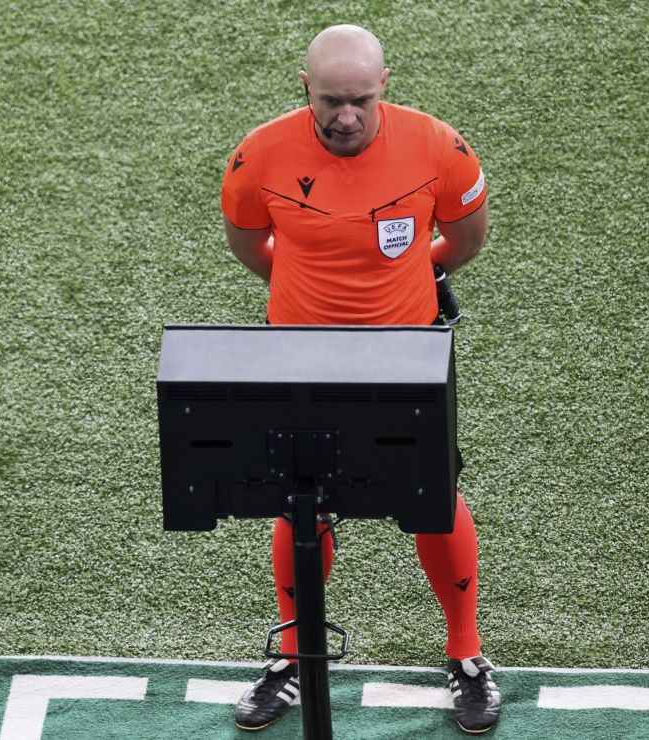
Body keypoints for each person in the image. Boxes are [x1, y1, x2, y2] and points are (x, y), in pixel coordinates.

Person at [219, 24, 500, 735]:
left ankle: (467, 654)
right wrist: (308, 303)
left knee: (432, 498)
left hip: (405, 358)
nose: (346, 116)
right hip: (299, 359)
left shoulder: (439, 146)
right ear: (305, 88)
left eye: (361, 101)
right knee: (299, 503)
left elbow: (465, 239)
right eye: (332, 101)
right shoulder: (259, 154)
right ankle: (293, 653)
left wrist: (409, 282)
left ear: (386, 87)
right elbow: (251, 243)